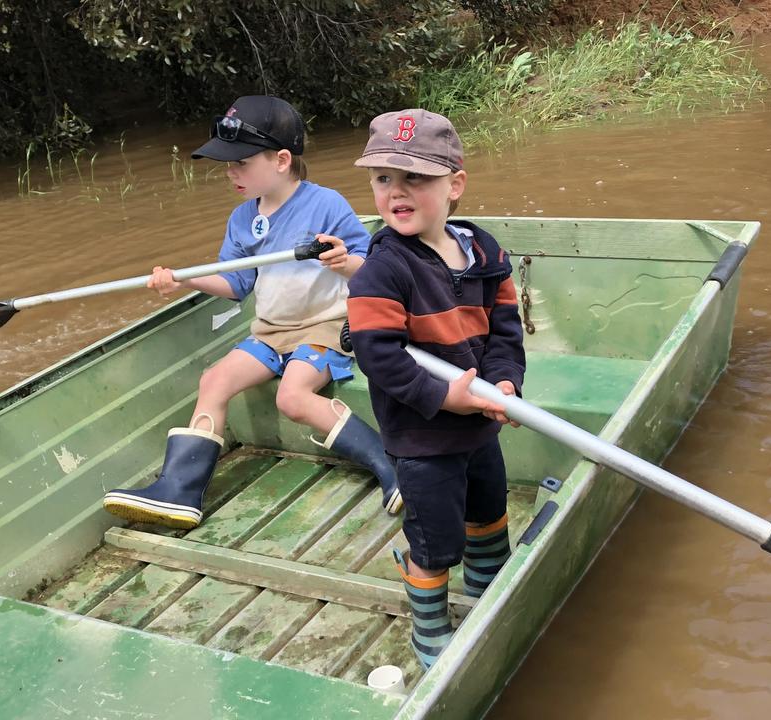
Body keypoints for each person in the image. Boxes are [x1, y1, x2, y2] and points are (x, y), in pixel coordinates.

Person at [102, 95, 402, 530]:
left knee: (292, 396)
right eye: (226, 164)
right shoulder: (242, 220)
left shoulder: (326, 204)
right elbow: (235, 285)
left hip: (325, 325)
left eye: (240, 163)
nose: (230, 172)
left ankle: (389, 464)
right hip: (268, 332)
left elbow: (372, 269)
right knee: (214, 380)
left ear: (281, 159)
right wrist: (184, 278)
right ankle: (181, 490)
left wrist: (344, 260)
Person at [345, 109, 526, 668]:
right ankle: (429, 625)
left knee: (489, 507)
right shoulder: (383, 268)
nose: (396, 192)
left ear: (455, 186)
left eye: (415, 178)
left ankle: (488, 581)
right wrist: (446, 397)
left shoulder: (484, 252)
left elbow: (504, 330)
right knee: (435, 540)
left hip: (479, 422)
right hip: (421, 438)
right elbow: (378, 356)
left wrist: (504, 383)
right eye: (382, 179)